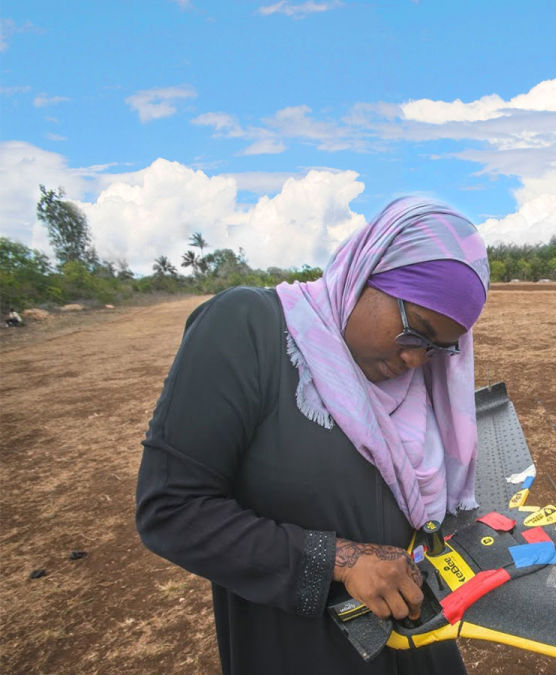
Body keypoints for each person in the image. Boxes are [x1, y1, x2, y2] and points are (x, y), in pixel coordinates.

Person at [136, 197, 489, 674]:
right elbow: (172, 510)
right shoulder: (249, 329)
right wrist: (340, 561)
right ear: (367, 272)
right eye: (414, 331)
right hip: (303, 650)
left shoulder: (420, 384)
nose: (415, 361)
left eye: (438, 348)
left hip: (419, 644)